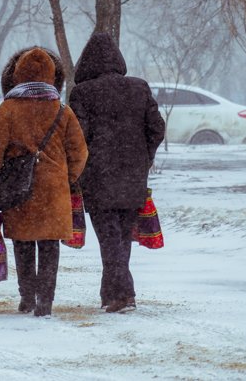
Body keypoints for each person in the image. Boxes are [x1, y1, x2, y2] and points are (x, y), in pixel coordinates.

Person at [0, 47, 88, 317]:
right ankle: (45, 302)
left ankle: (27, 298)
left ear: (17, 75)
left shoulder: (8, 109)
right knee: (49, 247)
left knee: (23, 245)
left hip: (18, 192)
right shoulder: (61, 110)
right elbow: (80, 153)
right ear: (51, 75)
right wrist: (66, 178)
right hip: (53, 194)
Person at [68, 33, 166, 313]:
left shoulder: (83, 93)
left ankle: (125, 295)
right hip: (133, 176)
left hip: (98, 177)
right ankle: (110, 294)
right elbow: (156, 128)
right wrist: (144, 157)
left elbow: (78, 137)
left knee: (110, 240)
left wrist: (80, 167)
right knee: (121, 238)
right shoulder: (139, 88)